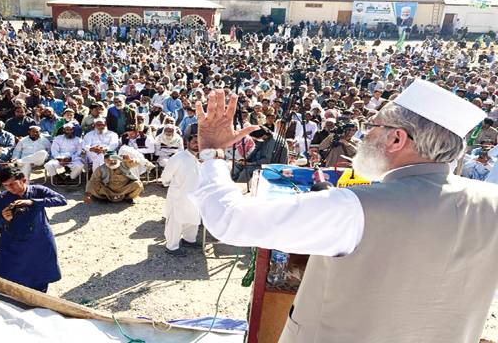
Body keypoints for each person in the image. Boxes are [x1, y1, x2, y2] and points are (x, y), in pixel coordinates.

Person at [190, 84, 497, 342]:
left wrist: (212, 154)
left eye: (373, 126)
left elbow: (229, 219)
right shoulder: (492, 202)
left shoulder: (356, 207)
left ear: (396, 139)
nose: (364, 136)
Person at [0, 167, 67, 292]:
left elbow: (61, 200)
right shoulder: (1, 198)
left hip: (38, 241)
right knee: (13, 277)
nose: (10, 188)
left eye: (12, 184)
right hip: (13, 243)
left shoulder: (37, 190)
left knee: (40, 275)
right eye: (6, 186)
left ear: (23, 180)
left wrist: (32, 202)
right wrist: (5, 218)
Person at [160, 133, 201, 257]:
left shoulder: (201, 158)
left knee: (193, 219)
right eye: (194, 142)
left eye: (199, 142)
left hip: (195, 195)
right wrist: (168, 183)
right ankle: (171, 247)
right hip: (179, 195)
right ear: (187, 143)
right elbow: (166, 176)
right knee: (176, 221)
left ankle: (189, 240)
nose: (197, 145)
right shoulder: (178, 157)